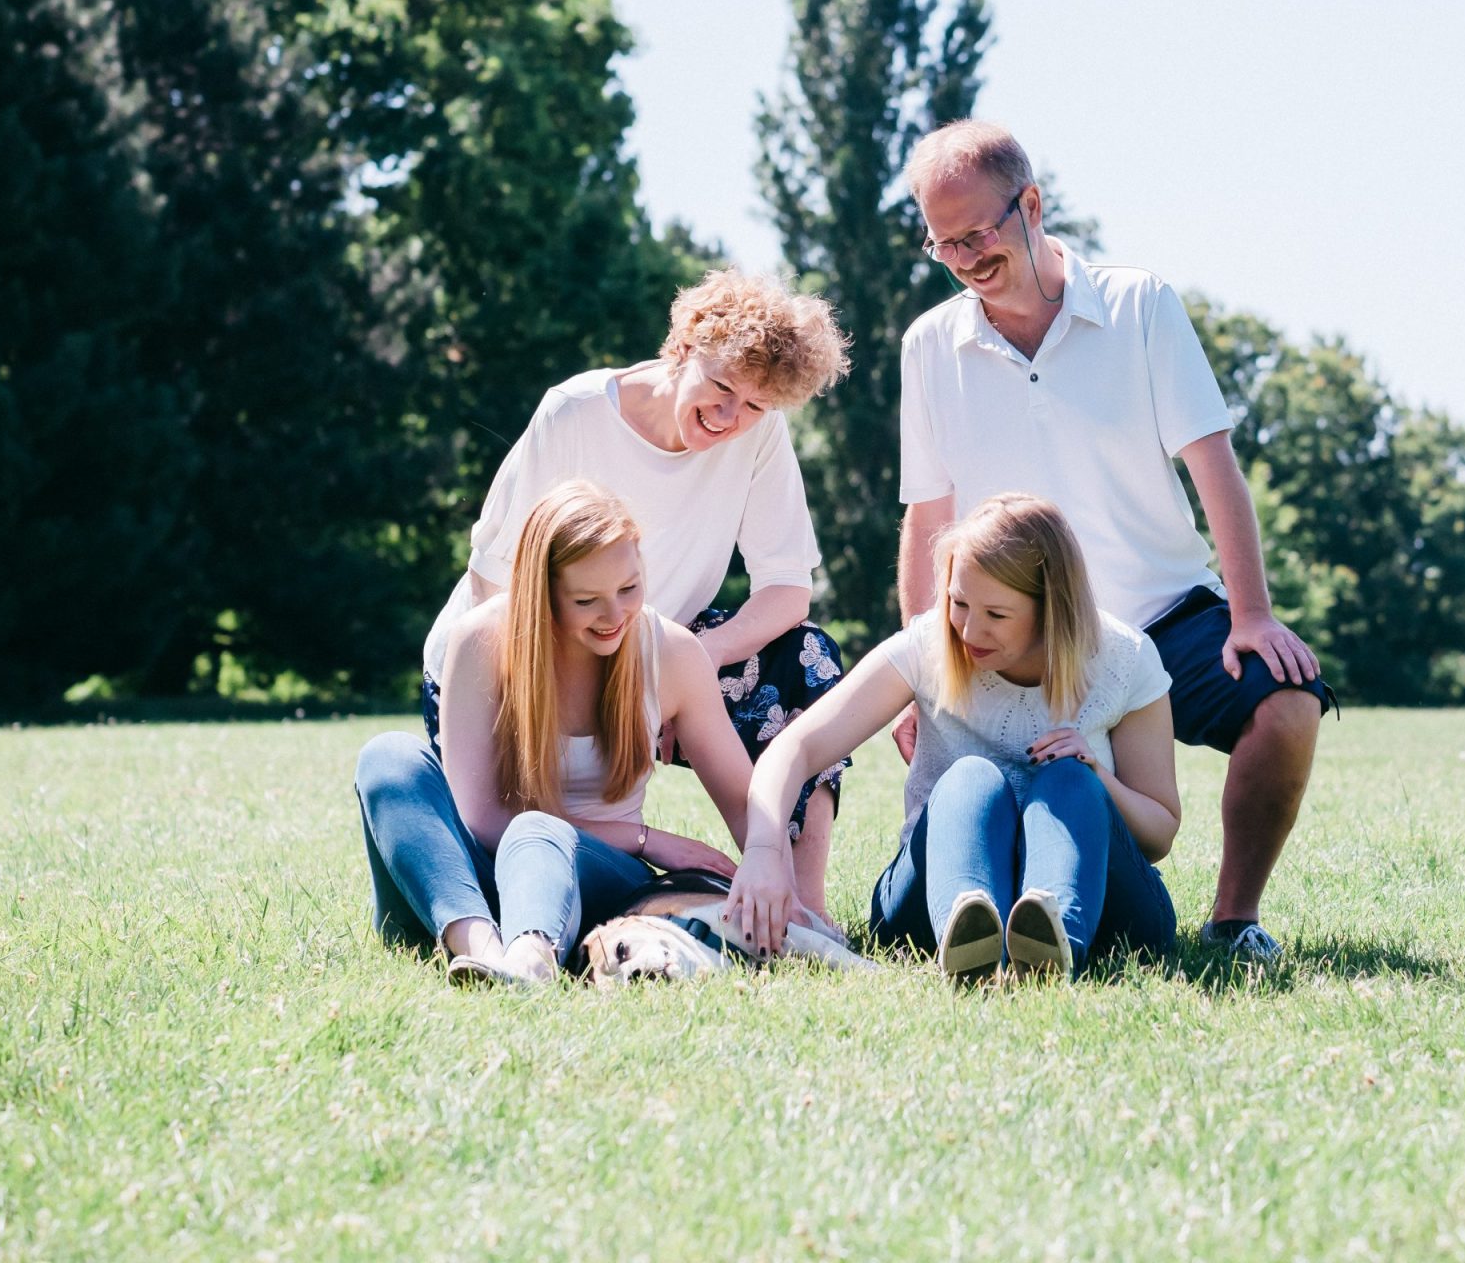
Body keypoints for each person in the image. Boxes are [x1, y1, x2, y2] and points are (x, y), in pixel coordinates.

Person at [893, 121, 1338, 967]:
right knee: (1003, 793)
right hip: (1010, 631)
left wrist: (1252, 617)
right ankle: (1001, 914)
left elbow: (1214, 468)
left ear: (1032, 204)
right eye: (942, 243)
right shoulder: (929, 345)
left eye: (978, 234)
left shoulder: (1139, 305)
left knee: (1288, 700)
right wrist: (924, 658)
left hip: (1160, 614)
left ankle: (1233, 922)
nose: (963, 258)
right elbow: (927, 517)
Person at [419, 268, 853, 919]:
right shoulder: (575, 412)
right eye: (722, 387)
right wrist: (580, 680)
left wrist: (690, 664)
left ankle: (795, 905)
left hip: (651, 653)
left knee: (809, 663)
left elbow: (788, 591)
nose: (732, 417)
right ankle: (526, 906)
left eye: (757, 406)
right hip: (524, 659)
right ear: (682, 348)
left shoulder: (759, 433)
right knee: (511, 838)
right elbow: (492, 583)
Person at [725, 494, 1180, 981]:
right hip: (928, 904)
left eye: (997, 615)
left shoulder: (1123, 658)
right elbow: (796, 747)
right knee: (970, 778)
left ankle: (1051, 947)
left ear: (1053, 609)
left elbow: (1159, 834)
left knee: (1069, 777)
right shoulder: (930, 644)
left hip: (1108, 909)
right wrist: (763, 853)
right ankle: (968, 934)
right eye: (958, 602)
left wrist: (1096, 774)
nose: (968, 629)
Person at [355, 480, 761, 984]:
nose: (615, 616)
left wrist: (781, 884)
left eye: (629, 589)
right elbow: (480, 820)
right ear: (541, 595)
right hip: (463, 895)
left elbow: (746, 804)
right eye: (587, 600)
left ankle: (527, 963)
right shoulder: (482, 639)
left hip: (593, 888)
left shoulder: (671, 653)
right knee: (388, 756)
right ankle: (483, 951)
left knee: (536, 828)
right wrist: (645, 839)